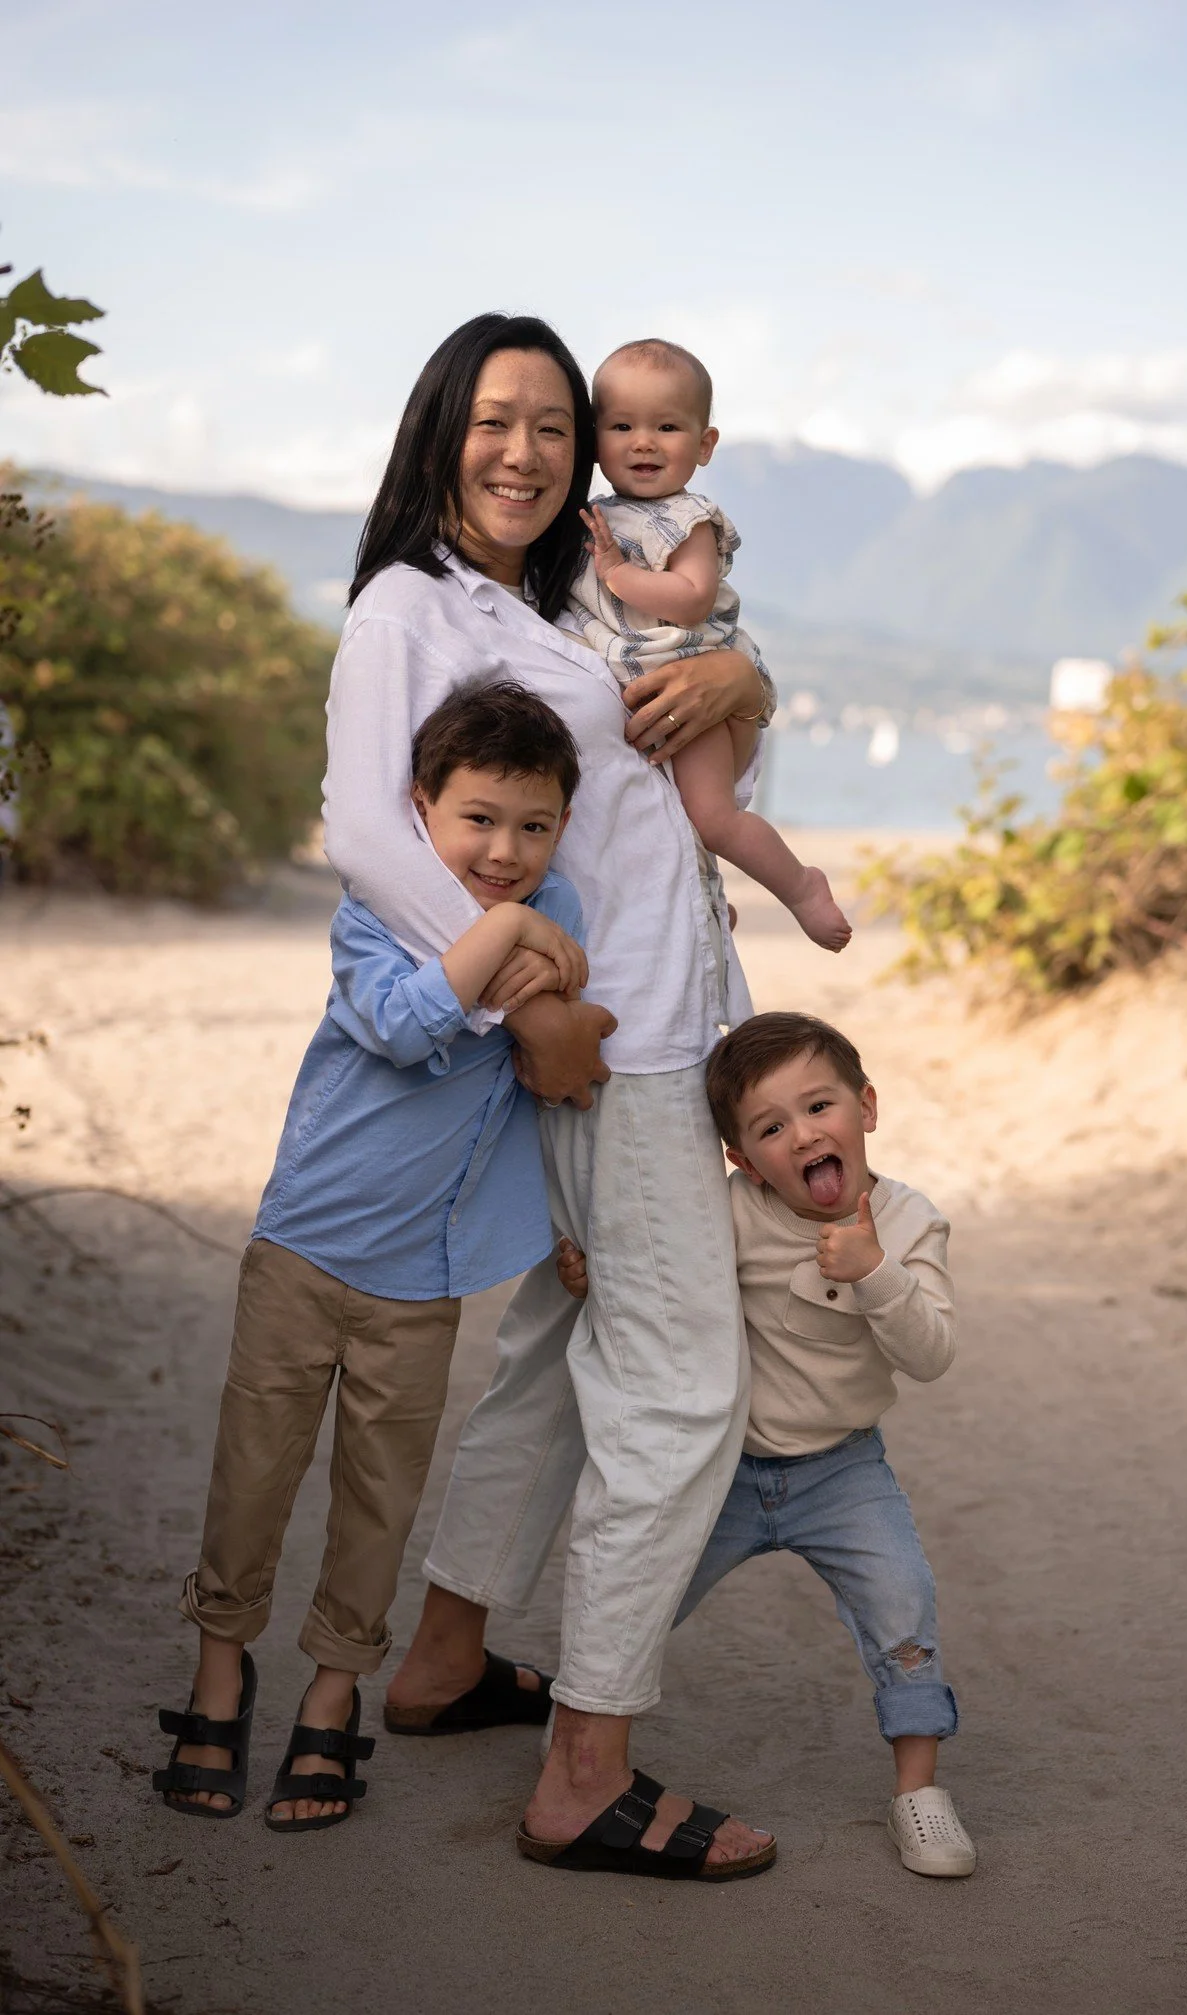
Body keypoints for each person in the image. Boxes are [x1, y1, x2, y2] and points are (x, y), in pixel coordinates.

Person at [327, 313, 776, 1877]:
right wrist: (525, 995)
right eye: (490, 421)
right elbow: (368, 834)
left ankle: (448, 1654)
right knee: (676, 1383)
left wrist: (742, 667)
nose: (522, 451)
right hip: (612, 1034)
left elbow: (663, 734)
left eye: (551, 426)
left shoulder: (547, 596)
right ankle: (588, 1768)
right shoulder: (410, 604)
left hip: (661, 1012)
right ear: (438, 428)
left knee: (557, 1347)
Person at [153, 682, 588, 1833]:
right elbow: (401, 1025)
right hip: (305, 1244)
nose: (505, 851)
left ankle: (334, 1692)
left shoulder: (563, 913)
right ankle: (219, 1670)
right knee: (252, 1474)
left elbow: (567, 1041)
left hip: (423, 1276)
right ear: (420, 810)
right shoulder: (375, 912)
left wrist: (572, 1221)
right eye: (478, 818)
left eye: (534, 826)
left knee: (377, 1498)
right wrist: (505, 934)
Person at [557, 1010, 975, 1877]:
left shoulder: (906, 1221)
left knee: (903, 1605)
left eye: (819, 1106)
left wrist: (873, 1275)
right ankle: (578, 1738)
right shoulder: (731, 1214)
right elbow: (659, 1278)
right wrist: (596, 1273)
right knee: (636, 1594)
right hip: (724, 1471)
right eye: (770, 1128)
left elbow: (931, 1354)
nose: (803, 1134)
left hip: (842, 1467)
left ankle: (920, 1792)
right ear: (744, 1160)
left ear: (865, 1106)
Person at [568, 338, 851, 954]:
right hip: (646, 690)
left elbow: (692, 596)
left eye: (666, 426)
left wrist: (619, 575)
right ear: (595, 439)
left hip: (691, 677)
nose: (643, 441)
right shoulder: (595, 515)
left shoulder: (686, 518)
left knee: (712, 817)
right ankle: (708, 901)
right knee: (663, 814)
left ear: (704, 444)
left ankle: (801, 886)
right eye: (622, 426)